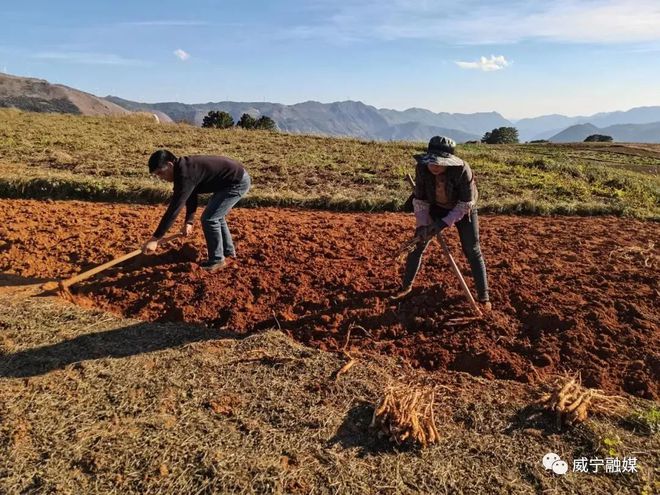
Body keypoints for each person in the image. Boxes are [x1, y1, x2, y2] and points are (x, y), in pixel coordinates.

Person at [393, 136, 491, 310]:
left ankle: (483, 297)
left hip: (463, 208)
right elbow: (421, 200)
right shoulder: (422, 168)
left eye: (439, 163)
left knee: (472, 249)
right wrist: (423, 225)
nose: (434, 166)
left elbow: (464, 204)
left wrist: (442, 224)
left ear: (449, 162)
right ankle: (405, 287)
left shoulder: (462, 170)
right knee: (418, 243)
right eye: (432, 162)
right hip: (434, 206)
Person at [142, 150, 251, 272]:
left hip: (237, 182)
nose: (161, 177)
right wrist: (189, 221)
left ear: (170, 165)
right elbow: (191, 195)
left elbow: (174, 209)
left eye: (160, 173)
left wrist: (155, 238)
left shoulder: (185, 174)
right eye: (157, 175)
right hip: (230, 181)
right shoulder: (182, 170)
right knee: (216, 216)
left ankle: (217, 260)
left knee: (210, 218)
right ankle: (228, 253)